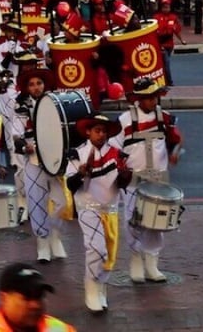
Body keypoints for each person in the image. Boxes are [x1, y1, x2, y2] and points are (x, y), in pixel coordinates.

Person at [110, 78, 182, 284]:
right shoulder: (124, 121)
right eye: (149, 97)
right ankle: (135, 259)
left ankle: (152, 264)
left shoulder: (164, 118)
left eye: (155, 96)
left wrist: (175, 152)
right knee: (134, 220)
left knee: (156, 221)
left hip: (158, 179)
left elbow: (177, 140)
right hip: (134, 178)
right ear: (139, 99)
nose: (153, 101)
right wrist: (120, 170)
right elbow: (114, 148)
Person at [66, 113, 128, 312]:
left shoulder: (117, 154)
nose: (101, 135)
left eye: (104, 131)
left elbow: (122, 183)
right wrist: (81, 173)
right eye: (97, 131)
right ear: (88, 132)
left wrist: (127, 175)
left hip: (110, 209)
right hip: (88, 208)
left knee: (109, 254)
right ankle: (91, 289)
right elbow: (70, 184)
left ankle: (101, 288)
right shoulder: (77, 154)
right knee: (97, 249)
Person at [11, 66, 71, 263]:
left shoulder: (55, 104)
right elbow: (16, 136)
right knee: (36, 204)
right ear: (27, 88)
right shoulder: (21, 108)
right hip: (34, 162)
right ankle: (42, 244)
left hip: (54, 162)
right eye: (32, 84)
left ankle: (55, 236)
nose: (36, 87)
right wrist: (24, 146)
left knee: (63, 202)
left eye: (39, 83)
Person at [0, 262, 75, 332]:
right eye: (27, 297)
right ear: (3, 298)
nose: (35, 305)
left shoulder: (61, 330)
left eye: (39, 296)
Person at [152, 0, 186, 86]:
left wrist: (182, 40)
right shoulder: (156, 17)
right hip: (160, 44)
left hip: (169, 44)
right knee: (166, 63)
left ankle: (164, 80)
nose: (165, 9)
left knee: (164, 62)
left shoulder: (173, 18)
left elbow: (176, 31)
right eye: (164, 7)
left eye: (167, 7)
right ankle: (169, 81)